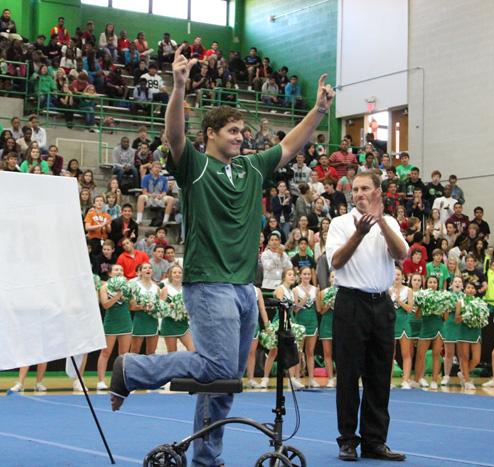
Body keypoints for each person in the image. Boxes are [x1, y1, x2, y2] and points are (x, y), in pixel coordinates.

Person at [108, 45, 335, 467]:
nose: (240, 136)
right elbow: (174, 135)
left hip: (245, 288)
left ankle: (206, 460)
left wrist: (319, 111)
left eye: (242, 131)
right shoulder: (193, 165)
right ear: (211, 134)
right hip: (208, 282)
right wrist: (178, 87)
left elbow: (288, 145)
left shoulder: (251, 168)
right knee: (216, 366)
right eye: (232, 131)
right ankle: (133, 369)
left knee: (224, 380)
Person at [325, 171, 408, 461]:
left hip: (382, 304)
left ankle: (375, 441)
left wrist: (382, 222)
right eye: (355, 189)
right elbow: (336, 261)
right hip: (351, 302)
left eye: (365, 189)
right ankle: (347, 439)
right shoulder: (339, 223)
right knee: (348, 374)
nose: (359, 193)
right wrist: (359, 233)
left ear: (377, 192)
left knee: (379, 375)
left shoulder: (391, 222)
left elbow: (402, 254)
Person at [96, 263, 132, 391]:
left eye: (121, 270)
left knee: (123, 354)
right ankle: (101, 381)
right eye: (116, 270)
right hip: (111, 321)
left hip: (125, 321)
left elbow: (132, 304)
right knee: (106, 352)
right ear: (110, 273)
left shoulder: (128, 286)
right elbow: (105, 305)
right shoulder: (104, 287)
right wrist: (117, 295)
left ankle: (121, 381)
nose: (119, 271)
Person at [293, 266, 320, 387]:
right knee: (299, 351)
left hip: (312, 321)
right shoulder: (296, 290)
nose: (307, 276)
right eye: (304, 274)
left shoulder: (316, 289)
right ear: (300, 275)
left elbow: (318, 309)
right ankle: (297, 378)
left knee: (310, 352)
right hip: (300, 322)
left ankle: (311, 378)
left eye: (309, 274)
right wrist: (304, 299)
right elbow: (295, 310)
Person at [160, 264, 195, 353]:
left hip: (183, 323)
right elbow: (160, 307)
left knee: (193, 350)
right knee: (172, 353)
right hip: (169, 323)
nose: (177, 274)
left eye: (179, 272)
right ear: (170, 274)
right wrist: (170, 307)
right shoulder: (165, 289)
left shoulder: (186, 288)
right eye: (174, 272)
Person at [390, 267, 415, 390]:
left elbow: (410, 309)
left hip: (404, 323)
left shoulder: (408, 290)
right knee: (390, 354)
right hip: (390, 324)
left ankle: (405, 380)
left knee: (406, 353)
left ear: (403, 277)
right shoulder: (387, 290)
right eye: (394, 274)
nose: (397, 276)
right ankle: (388, 381)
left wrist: (400, 302)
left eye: (399, 274)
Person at [129, 262, 160, 356]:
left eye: (150, 268)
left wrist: (157, 307)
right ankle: (132, 370)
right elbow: (132, 306)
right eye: (145, 268)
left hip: (153, 319)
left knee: (151, 352)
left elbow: (160, 305)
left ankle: (150, 371)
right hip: (139, 319)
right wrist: (145, 306)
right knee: (135, 351)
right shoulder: (134, 285)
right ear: (140, 272)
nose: (148, 269)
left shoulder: (156, 287)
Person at [245, 286, 270, 388]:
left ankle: (251, 379)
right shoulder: (238, 287)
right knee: (238, 352)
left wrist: (267, 325)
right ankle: (235, 378)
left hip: (254, 325)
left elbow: (262, 309)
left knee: (252, 352)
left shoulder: (257, 290)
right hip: (240, 325)